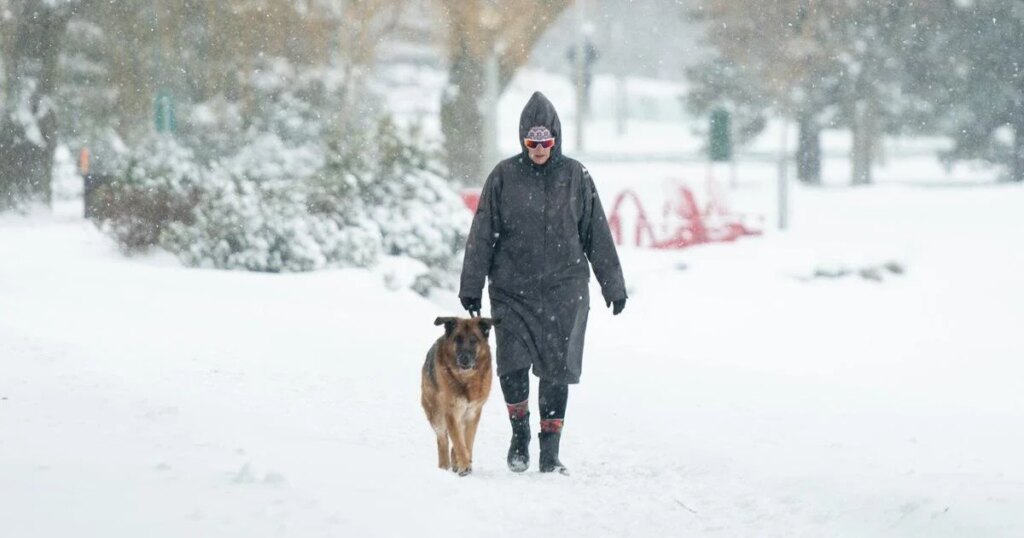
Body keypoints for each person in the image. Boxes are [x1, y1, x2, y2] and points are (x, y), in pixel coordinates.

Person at [459, 91, 627, 475]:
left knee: (556, 369)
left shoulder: (576, 177)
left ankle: (550, 453)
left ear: (556, 139)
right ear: (522, 139)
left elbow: (596, 235)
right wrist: (471, 285)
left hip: (564, 290)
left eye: (545, 142)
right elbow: (482, 232)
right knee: (512, 364)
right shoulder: (503, 177)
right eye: (531, 142)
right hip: (511, 289)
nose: (538, 149)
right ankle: (520, 433)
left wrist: (612, 286)